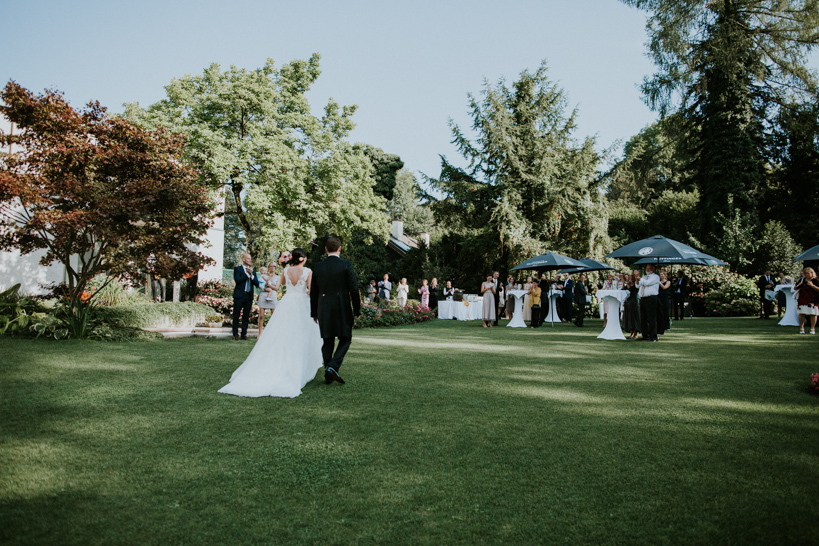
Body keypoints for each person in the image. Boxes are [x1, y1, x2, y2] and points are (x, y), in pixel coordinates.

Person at [219, 248, 322, 398]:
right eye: (305, 257)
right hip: (302, 304)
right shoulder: (308, 271)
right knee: (301, 335)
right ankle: (299, 367)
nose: (306, 259)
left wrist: (268, 284)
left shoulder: (286, 271)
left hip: (287, 303)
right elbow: (311, 291)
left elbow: (277, 288)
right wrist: (305, 294)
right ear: (302, 259)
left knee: (281, 333)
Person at [310, 236, 361, 384]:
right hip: (342, 306)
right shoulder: (346, 265)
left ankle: (329, 373)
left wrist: (314, 312)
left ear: (326, 249)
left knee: (328, 340)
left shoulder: (318, 266)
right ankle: (332, 367)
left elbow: (314, 291)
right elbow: (354, 288)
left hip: (323, 306)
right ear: (339, 249)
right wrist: (357, 310)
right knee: (346, 338)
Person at [232, 252, 261, 341]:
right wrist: (247, 274)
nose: (250, 260)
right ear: (243, 259)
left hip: (248, 296)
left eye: (250, 259)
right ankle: (235, 334)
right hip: (239, 296)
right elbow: (237, 280)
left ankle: (244, 334)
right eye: (248, 258)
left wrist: (251, 275)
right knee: (236, 315)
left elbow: (256, 283)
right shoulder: (238, 269)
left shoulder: (253, 271)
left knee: (246, 316)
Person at [257, 261, 280, 337]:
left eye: (274, 266)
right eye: (271, 266)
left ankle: (271, 333)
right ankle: (260, 333)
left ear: (275, 268)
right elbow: (260, 285)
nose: (272, 267)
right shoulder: (264, 275)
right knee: (261, 315)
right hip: (263, 294)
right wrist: (259, 294)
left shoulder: (277, 277)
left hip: (272, 295)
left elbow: (276, 288)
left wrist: (269, 285)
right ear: (268, 267)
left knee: (273, 315)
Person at [639, 264, 660, 341]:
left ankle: (653, 336)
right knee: (643, 318)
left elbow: (647, 283)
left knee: (651, 318)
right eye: (647, 268)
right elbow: (639, 285)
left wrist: (640, 279)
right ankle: (645, 335)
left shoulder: (655, 277)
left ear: (653, 269)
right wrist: (638, 280)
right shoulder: (644, 277)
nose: (648, 270)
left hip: (651, 298)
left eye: (650, 268)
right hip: (643, 297)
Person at [795, 267, 819, 334]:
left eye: (808, 273)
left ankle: (812, 328)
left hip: (813, 299)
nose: (806, 275)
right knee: (802, 313)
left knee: (813, 314)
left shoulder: (815, 281)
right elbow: (795, 288)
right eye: (805, 274)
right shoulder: (802, 280)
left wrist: (812, 285)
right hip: (803, 299)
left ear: (812, 273)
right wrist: (799, 285)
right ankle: (802, 328)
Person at [623, 271, 641, 339]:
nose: (631, 277)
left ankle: (635, 333)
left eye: (633, 276)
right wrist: (624, 281)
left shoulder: (637, 283)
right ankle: (631, 333)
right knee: (629, 317)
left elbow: (632, 288)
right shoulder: (628, 283)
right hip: (628, 301)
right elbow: (624, 289)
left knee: (635, 317)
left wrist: (636, 279)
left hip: (635, 301)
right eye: (631, 276)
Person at [658, 270, 671, 335]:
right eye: (660, 275)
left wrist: (659, 283)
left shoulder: (668, 282)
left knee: (665, 311)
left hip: (665, 297)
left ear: (665, 275)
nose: (661, 276)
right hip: (659, 297)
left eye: (662, 274)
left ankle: (667, 325)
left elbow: (664, 287)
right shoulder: (658, 282)